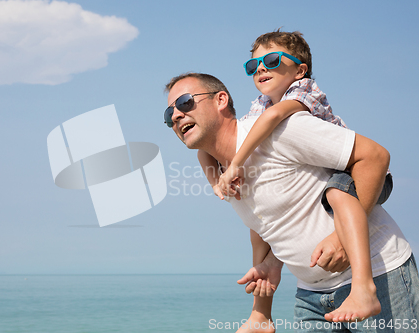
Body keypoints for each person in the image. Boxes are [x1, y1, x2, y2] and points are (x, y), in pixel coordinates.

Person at [163, 72, 418, 332]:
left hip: (379, 275)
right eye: (168, 113)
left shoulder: (279, 130)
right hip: (311, 296)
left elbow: (374, 157)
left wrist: (342, 239)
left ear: (221, 100)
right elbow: (264, 229)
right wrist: (260, 312)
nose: (175, 115)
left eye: (185, 102)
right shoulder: (219, 172)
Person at [195, 30, 392, 323]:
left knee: (337, 194)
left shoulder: (304, 93)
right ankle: (260, 315)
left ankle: (364, 286)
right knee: (258, 220)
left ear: (300, 70)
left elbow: (273, 120)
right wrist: (216, 182)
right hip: (313, 276)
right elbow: (205, 152)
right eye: (253, 65)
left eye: (271, 59)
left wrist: (236, 164)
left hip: (354, 174)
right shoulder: (259, 106)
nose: (260, 68)